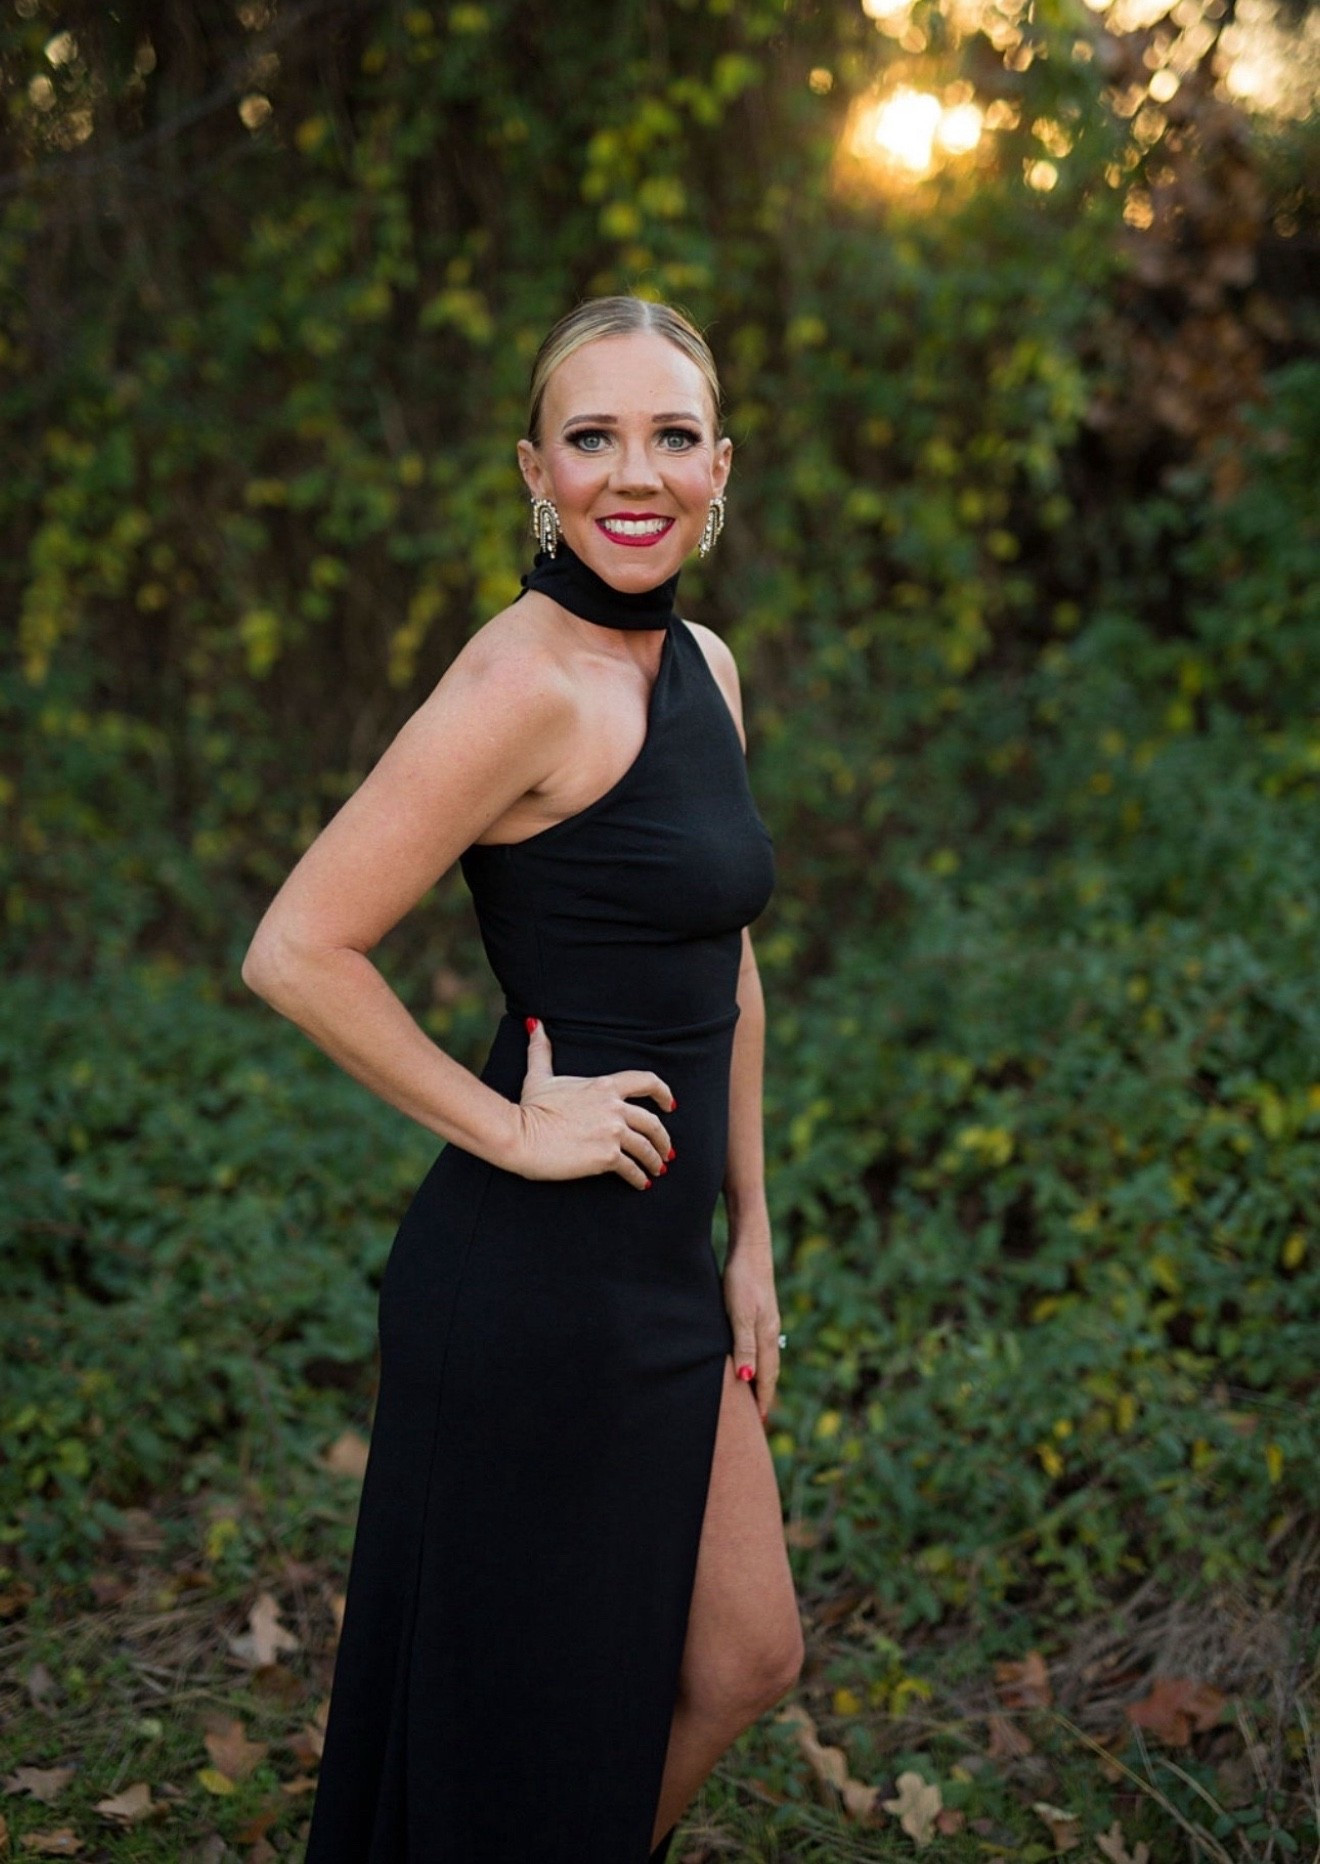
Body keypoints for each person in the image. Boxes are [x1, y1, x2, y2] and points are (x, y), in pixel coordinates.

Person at [241, 293, 804, 1863]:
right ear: (535, 473)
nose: (640, 474)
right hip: (531, 1286)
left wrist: (750, 1226)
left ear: (722, 467)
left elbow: (729, 970)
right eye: (595, 437)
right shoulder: (523, 683)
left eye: (673, 437)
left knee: (746, 1657)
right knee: (523, 1730)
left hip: (665, 1268)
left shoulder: (705, 663)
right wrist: (510, 1128)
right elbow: (297, 949)